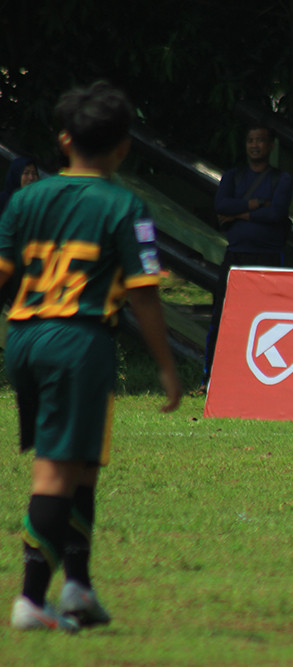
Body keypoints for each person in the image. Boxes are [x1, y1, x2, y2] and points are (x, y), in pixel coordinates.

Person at [0, 81, 182, 632]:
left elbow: (5, 275)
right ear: (123, 146)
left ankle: (77, 587)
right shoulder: (124, 205)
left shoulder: (25, 199)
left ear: (63, 139)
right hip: (78, 343)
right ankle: (31, 599)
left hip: (25, 340)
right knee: (57, 470)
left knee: (81, 465)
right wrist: (169, 366)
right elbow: (144, 292)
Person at [203, 125, 293, 389]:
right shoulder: (233, 176)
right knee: (222, 315)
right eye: (250, 140)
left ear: (270, 146)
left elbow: (277, 213)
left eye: (261, 141)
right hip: (236, 255)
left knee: (271, 317)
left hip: (269, 256)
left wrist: (239, 213)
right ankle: (209, 378)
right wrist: (256, 204)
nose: (255, 145)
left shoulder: (281, 179)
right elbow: (221, 205)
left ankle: (266, 380)